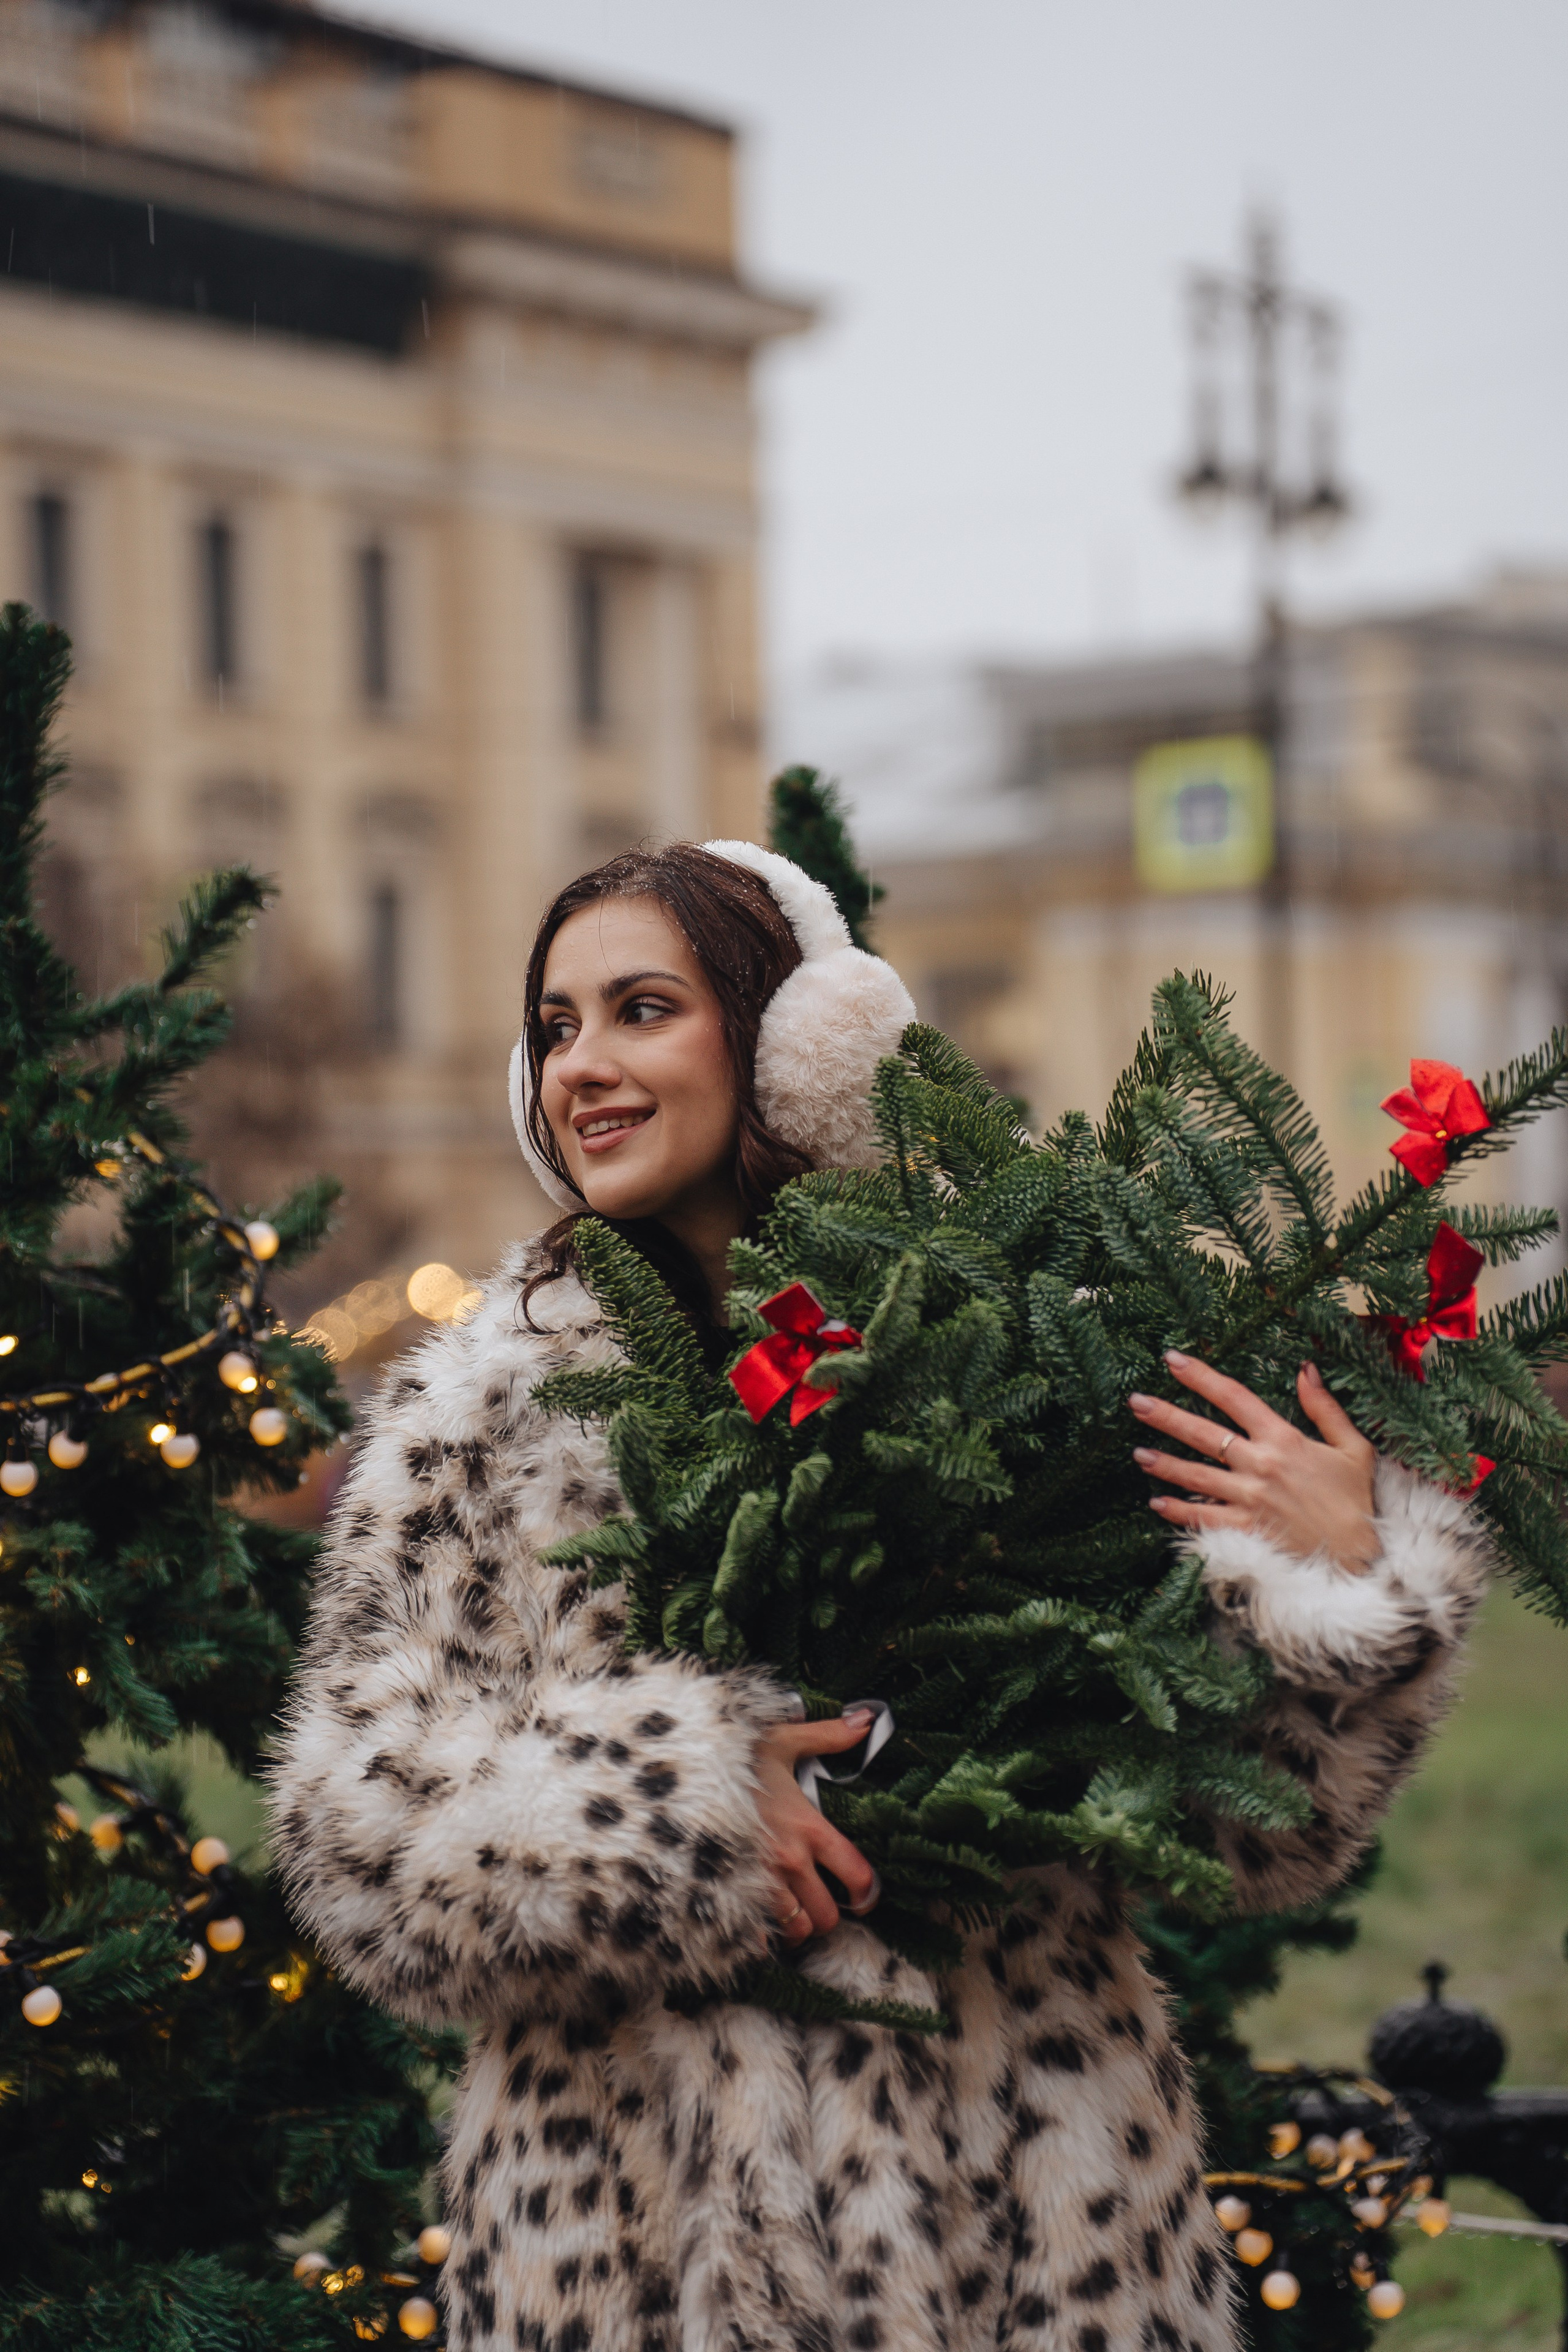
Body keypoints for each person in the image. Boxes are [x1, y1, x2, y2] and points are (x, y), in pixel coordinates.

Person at [273, 840, 1489, 2352]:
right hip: (631, 2254)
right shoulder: (475, 1426)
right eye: (556, 1026)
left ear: (795, 1043)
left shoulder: (1024, 1362)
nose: (581, 1064)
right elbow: (357, 1844)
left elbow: (1259, 1835)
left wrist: (1331, 1586)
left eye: (641, 1009)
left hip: (1038, 2241)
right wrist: (683, 1804)